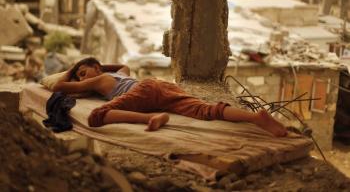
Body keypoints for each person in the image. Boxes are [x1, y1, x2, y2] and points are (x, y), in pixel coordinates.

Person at [53, 57, 287, 136]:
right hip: (159, 85)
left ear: (97, 67)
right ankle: (255, 117)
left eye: (84, 73)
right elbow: (123, 63)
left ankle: (151, 118)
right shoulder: (121, 72)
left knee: (97, 116)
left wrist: (74, 69)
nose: (82, 79)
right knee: (202, 109)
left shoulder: (100, 79)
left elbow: (58, 86)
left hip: (141, 93)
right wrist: (93, 66)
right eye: (80, 76)